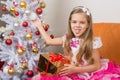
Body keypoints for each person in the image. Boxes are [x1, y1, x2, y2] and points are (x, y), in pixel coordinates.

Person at [31, 6, 120, 80]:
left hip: (84, 70)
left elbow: (96, 66)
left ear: (88, 24)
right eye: (74, 22)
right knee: (44, 64)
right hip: (70, 67)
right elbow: (49, 41)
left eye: (82, 23)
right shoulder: (67, 38)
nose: (77, 25)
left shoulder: (91, 42)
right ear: (70, 23)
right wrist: (39, 25)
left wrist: (76, 70)